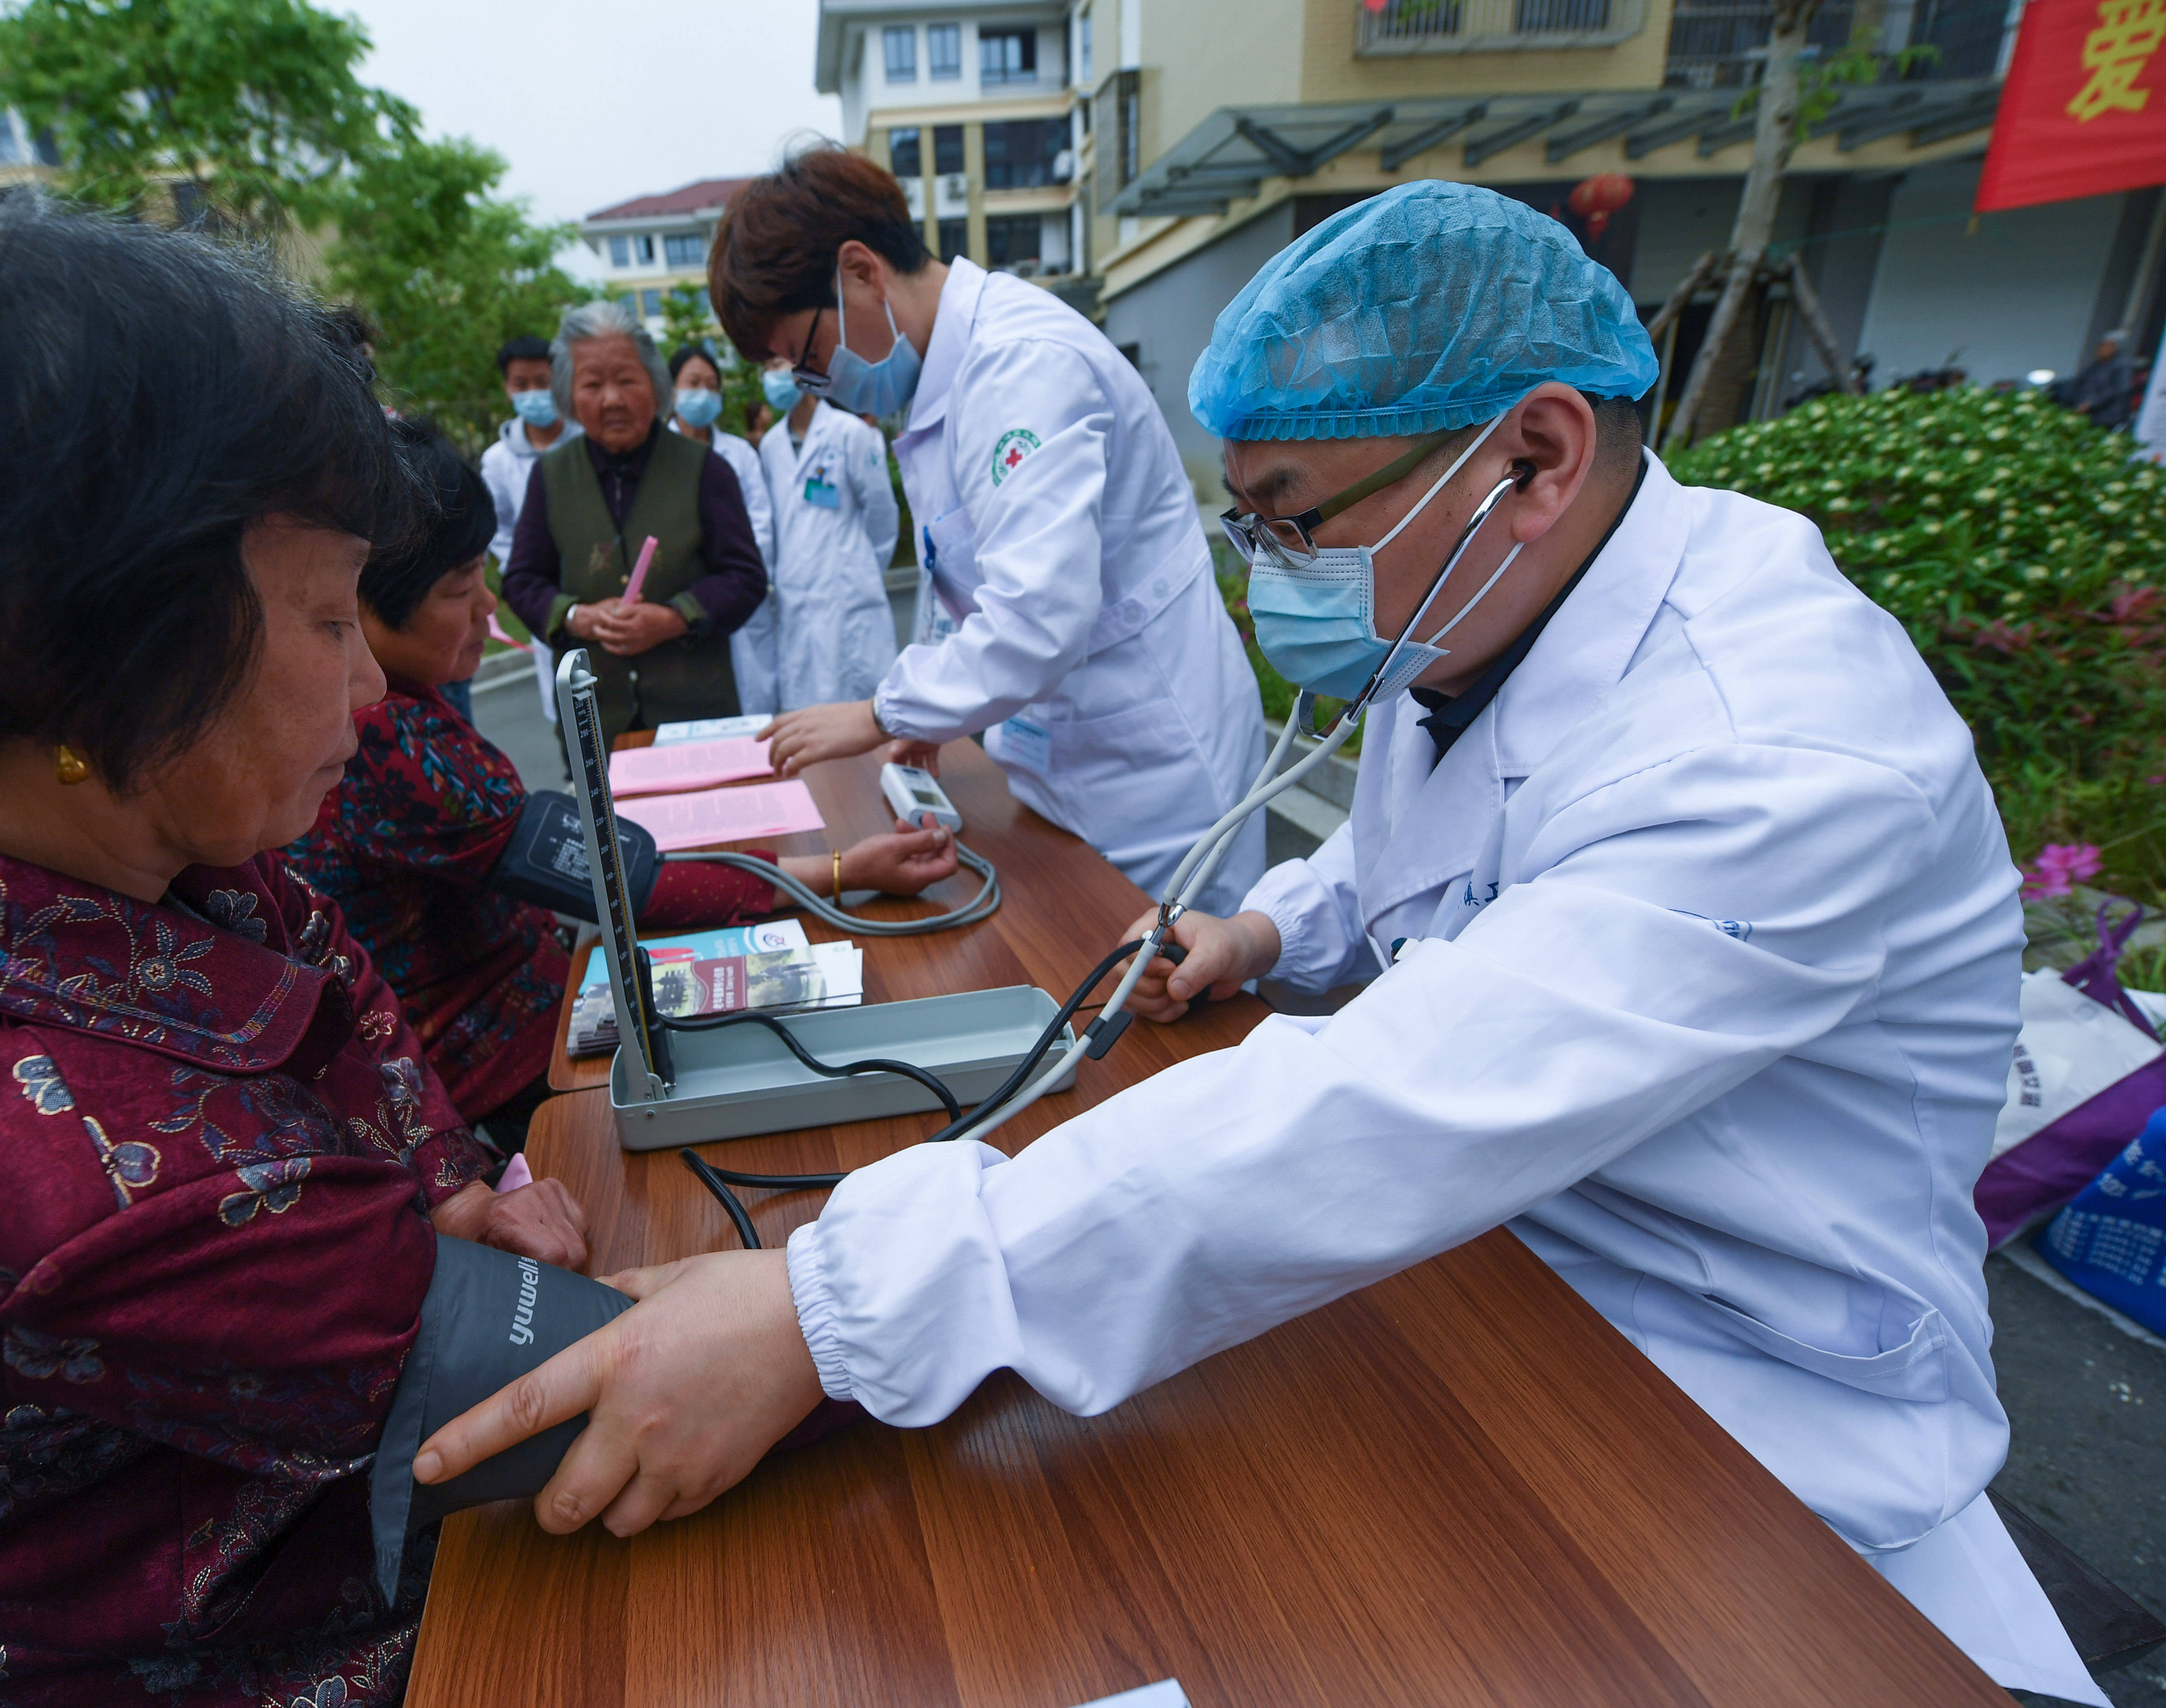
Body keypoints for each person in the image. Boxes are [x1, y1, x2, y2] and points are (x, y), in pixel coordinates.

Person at [411, 182, 2107, 1707]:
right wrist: (1266, 918)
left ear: (1532, 457)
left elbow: (1390, 1097)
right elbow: (1407, 850)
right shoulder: (1488, 617)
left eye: (1296, 520)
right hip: (1514, 1285)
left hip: (1755, 1412)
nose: (1268, 568)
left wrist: (826, 1311)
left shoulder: (1776, 750)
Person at [0, 201, 596, 1707]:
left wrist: (445, 1178)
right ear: (50, 643)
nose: (364, 690)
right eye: (331, 616)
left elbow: (314, 951)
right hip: (273, 1634)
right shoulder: (78, 1171)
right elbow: (578, 1393)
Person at [289, 416, 959, 1150]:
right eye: (460, 587)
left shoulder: (398, 705)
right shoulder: (388, 739)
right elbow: (611, 879)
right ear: (361, 595)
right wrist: (837, 871)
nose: (488, 608)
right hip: (507, 1062)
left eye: (484, 576)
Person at [710, 145, 1269, 917]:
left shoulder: (1019, 367)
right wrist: (942, 706)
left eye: (807, 357)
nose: (819, 384)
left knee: (1167, 1000)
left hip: (1149, 773)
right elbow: (971, 580)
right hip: (1064, 753)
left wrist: (882, 712)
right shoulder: (949, 375)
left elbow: (1036, 618)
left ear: (861, 271)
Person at [499, 298, 768, 742]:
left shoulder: (705, 470)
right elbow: (523, 580)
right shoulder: (550, 477)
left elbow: (745, 577)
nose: (612, 400)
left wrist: (674, 618)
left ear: (658, 387)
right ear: (568, 396)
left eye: (627, 380)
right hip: (595, 722)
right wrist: (575, 617)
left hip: (694, 714)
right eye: (592, 384)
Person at [757, 361, 901, 707]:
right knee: (808, 720)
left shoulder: (849, 433)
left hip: (850, 595)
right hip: (796, 599)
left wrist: (861, 568)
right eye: (767, 367)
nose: (773, 374)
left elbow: (882, 515)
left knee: (863, 713)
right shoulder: (770, 446)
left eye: (779, 363)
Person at [664, 341, 781, 716]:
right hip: (676, 597)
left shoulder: (740, 454)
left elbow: (761, 523)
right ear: (671, 390)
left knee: (752, 710)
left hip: (739, 596)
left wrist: (733, 580)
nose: (704, 393)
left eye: (712, 385)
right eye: (693, 382)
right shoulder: (656, 459)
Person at [482, 333, 580, 727]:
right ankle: (572, 768)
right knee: (561, 693)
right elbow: (499, 527)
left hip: (592, 577)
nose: (534, 393)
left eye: (543, 382)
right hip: (542, 591)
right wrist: (523, 572)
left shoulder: (587, 443)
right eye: (522, 384)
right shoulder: (498, 461)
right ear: (507, 388)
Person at [2060, 328, 2139, 430]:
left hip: (2108, 418)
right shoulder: (2098, 365)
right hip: (2092, 415)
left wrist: (2091, 403)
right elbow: (2081, 383)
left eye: (2105, 346)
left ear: (2114, 347)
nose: (2100, 349)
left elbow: (2119, 389)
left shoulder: (2123, 365)